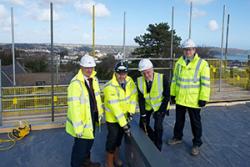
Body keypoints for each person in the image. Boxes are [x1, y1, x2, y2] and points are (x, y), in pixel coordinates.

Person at [168, 38, 210, 156]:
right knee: (179, 121)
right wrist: (173, 94)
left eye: (190, 49)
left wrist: (203, 98)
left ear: (194, 50)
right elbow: (175, 80)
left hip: (194, 100)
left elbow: (205, 83)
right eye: (186, 50)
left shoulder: (202, 64)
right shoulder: (179, 63)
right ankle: (177, 137)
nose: (188, 52)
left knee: (195, 123)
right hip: (181, 98)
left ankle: (196, 143)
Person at [66, 54, 103, 167]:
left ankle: (86, 163)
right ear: (81, 67)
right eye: (87, 67)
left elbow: (95, 97)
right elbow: (74, 107)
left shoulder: (94, 79)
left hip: (92, 118)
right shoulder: (75, 84)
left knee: (89, 144)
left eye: (91, 67)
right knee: (79, 150)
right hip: (81, 123)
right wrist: (78, 127)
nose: (89, 70)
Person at [103, 60, 137, 167]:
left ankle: (116, 158)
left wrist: (131, 112)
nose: (122, 76)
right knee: (112, 139)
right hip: (113, 119)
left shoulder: (130, 82)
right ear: (115, 72)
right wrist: (124, 124)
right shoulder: (109, 87)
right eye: (119, 73)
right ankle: (109, 162)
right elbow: (115, 108)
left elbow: (133, 97)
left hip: (125, 116)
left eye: (124, 73)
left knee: (119, 138)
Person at [137, 58, 170, 151]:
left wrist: (160, 111)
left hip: (160, 106)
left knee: (158, 126)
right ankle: (153, 138)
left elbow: (167, 97)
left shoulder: (163, 78)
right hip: (148, 105)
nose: (146, 75)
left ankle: (158, 146)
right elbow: (141, 99)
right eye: (143, 73)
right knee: (142, 125)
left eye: (148, 72)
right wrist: (143, 114)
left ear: (152, 69)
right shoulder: (139, 81)